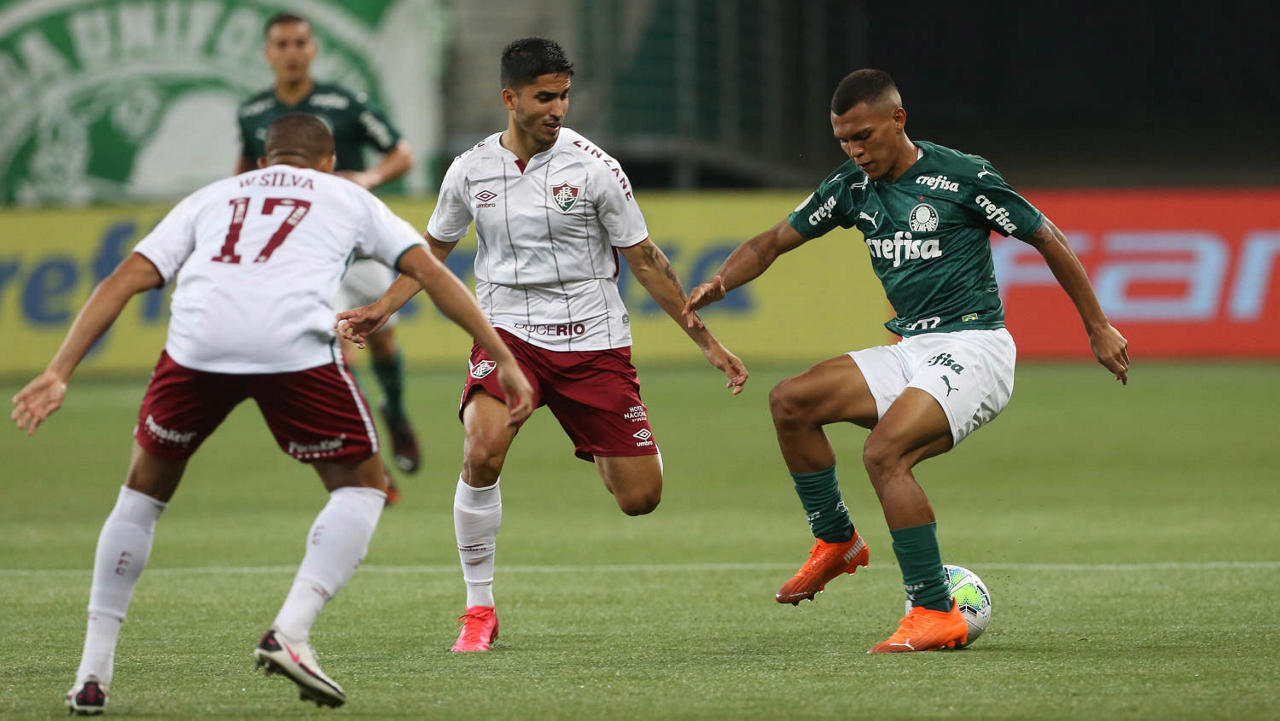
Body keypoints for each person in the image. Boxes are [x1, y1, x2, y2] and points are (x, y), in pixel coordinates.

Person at [11, 115, 532, 714]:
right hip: (290, 347)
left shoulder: (212, 197)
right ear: (330, 164)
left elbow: (125, 278)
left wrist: (59, 370)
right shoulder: (346, 196)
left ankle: (92, 674)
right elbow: (431, 273)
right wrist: (500, 357)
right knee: (362, 488)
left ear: (262, 163)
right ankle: (291, 630)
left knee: (141, 497)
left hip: (198, 347)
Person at [682, 69, 1129, 653]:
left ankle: (934, 610)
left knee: (884, 453)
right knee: (791, 401)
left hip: (975, 347)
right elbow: (771, 241)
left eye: (863, 136)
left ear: (898, 119)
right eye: (843, 140)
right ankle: (837, 541)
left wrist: (1097, 326)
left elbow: (1047, 237)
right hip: (912, 349)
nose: (854, 150)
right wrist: (721, 281)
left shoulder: (962, 176)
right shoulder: (850, 187)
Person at [337, 37, 749, 653]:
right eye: (544, 97)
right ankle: (478, 609)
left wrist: (708, 344)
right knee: (482, 450)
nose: (557, 109)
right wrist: (379, 309)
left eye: (564, 96)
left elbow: (646, 259)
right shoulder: (469, 170)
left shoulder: (596, 169)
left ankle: (615, 444)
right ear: (511, 98)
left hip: (593, 342)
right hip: (506, 336)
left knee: (640, 499)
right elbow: (431, 252)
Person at [236, 12, 423, 488]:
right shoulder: (253, 112)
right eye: (282, 44)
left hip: (356, 246)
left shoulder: (343, 103)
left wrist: (370, 177)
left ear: (313, 49)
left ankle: (395, 411)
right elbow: (244, 172)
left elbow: (402, 153)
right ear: (268, 53)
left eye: (299, 42)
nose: (292, 52)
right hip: (303, 254)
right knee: (338, 347)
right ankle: (370, 455)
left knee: (382, 341)